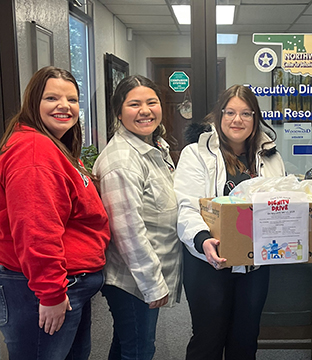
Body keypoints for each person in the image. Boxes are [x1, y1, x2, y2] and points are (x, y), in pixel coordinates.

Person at [0, 66, 110, 359]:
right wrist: (51, 293)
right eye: (52, 98)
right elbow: (36, 229)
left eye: (72, 100)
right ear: (33, 102)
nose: (65, 106)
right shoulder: (34, 151)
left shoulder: (52, 145)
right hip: (47, 287)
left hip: (67, 284)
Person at [174, 84, 285, 360]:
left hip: (255, 265)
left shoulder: (270, 157)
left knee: (245, 340)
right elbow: (186, 206)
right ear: (219, 116)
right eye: (231, 112)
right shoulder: (196, 154)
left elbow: (280, 205)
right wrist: (202, 241)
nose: (238, 120)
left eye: (246, 114)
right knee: (207, 340)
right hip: (209, 262)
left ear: (256, 119)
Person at [93, 75, 183, 360]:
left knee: (126, 344)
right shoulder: (122, 161)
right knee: (139, 350)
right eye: (134, 104)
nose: (145, 110)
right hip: (132, 281)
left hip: (142, 276)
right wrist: (153, 285)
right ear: (119, 112)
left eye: (151, 102)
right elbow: (128, 232)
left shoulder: (153, 145)